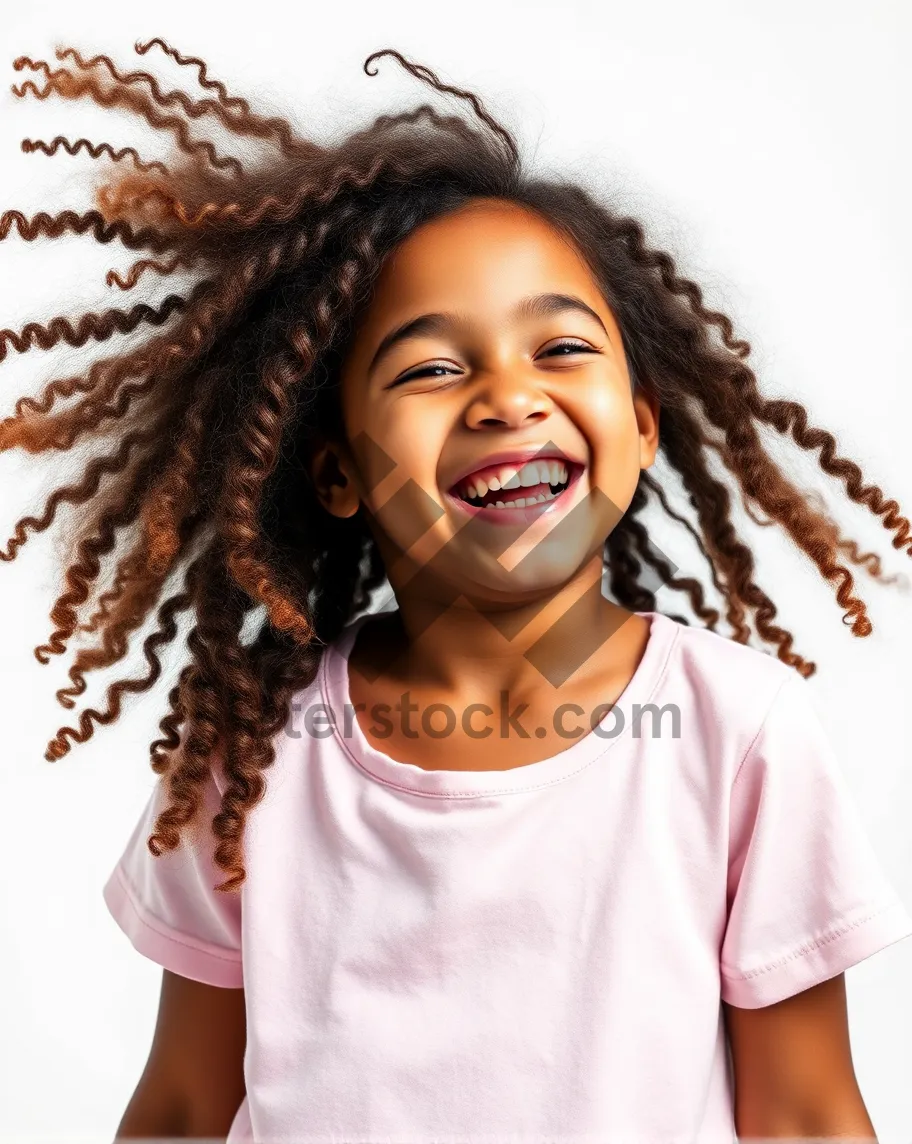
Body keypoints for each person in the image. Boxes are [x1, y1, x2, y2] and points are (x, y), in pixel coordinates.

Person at [4, 38, 911, 1144]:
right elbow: (188, 1103)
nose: (505, 398)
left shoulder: (739, 735)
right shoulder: (249, 758)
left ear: (641, 422)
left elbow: (810, 1113)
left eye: (562, 348)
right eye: (434, 368)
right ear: (332, 468)